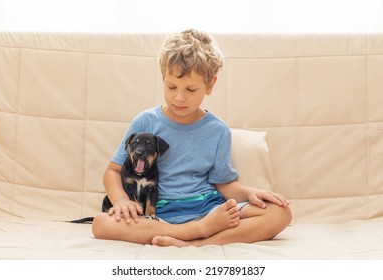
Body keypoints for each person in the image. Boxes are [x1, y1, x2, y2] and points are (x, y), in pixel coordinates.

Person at [92, 29, 291, 247]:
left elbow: (224, 184)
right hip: (159, 213)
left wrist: (251, 193)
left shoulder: (218, 131)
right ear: (163, 79)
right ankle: (192, 232)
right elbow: (113, 170)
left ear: (210, 85)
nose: (179, 97)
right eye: (171, 87)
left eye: (191, 89)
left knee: (280, 213)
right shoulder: (145, 122)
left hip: (208, 209)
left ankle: (194, 243)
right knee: (100, 224)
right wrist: (121, 200)